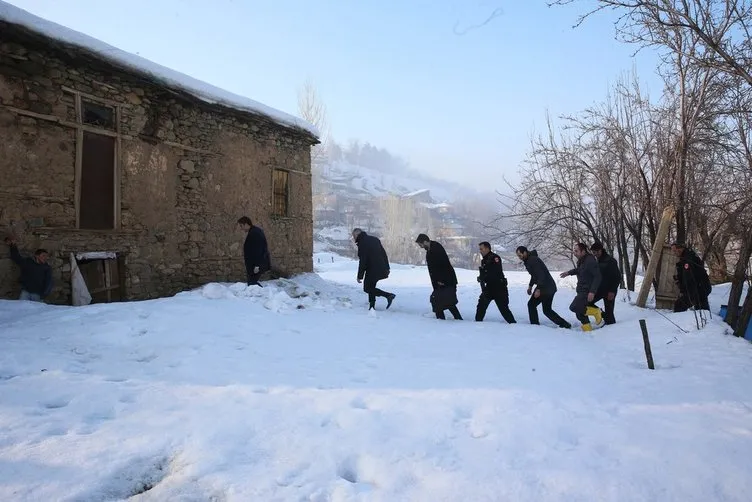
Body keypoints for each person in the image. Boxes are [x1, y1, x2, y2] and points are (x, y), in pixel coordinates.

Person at [515, 246, 571, 329]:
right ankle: (565, 324)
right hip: (548, 286)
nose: (519, 257)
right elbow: (534, 275)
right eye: (518, 256)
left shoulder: (533, 260)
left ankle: (535, 326)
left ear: (525, 252)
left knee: (532, 305)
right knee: (547, 310)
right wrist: (530, 286)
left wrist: (538, 289)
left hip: (546, 287)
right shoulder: (529, 260)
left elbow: (541, 275)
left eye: (520, 255)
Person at [416, 233, 462, 320]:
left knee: (444, 301)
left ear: (425, 242)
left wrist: (441, 280)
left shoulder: (436, 249)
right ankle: (443, 319)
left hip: (446, 281)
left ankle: (443, 320)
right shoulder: (430, 249)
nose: (420, 246)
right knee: (442, 301)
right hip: (439, 282)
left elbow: (443, 265)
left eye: (421, 244)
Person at [560, 243, 602, 331]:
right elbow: (580, 270)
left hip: (587, 290)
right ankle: (588, 329)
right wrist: (569, 273)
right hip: (581, 289)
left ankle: (596, 312)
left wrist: (592, 292)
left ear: (583, 251)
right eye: (574, 250)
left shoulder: (590, 260)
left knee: (574, 307)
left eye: (576, 251)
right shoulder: (583, 260)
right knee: (579, 313)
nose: (574, 253)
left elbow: (598, 276)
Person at [352, 228, 395, 310]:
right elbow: (384, 254)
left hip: (372, 269)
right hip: (381, 267)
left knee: (367, 288)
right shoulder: (375, 239)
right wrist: (387, 267)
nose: (353, 238)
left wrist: (360, 276)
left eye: (354, 236)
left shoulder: (362, 243)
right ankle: (372, 306)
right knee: (371, 287)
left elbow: (363, 261)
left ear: (357, 234)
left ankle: (388, 295)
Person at [475, 241, 516, 323]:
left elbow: (495, 272)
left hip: (499, 287)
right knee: (481, 305)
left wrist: (485, 277)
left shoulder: (495, 258)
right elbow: (484, 273)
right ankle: (478, 323)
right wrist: (481, 278)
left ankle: (513, 324)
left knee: (503, 309)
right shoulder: (484, 261)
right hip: (489, 287)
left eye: (481, 249)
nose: (480, 251)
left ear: (487, 248)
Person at [5, 237, 53, 302]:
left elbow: (49, 282)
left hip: (38, 294)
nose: (45, 258)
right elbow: (16, 258)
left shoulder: (47, 268)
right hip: (26, 292)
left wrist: (44, 294)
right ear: (36, 256)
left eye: (46, 256)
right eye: (43, 255)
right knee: (21, 309)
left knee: (37, 311)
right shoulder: (28, 262)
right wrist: (13, 245)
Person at [671, 242, 711, 312]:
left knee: (680, 304)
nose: (674, 253)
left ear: (680, 249)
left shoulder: (688, 258)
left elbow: (688, 276)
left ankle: (678, 320)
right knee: (701, 308)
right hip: (702, 286)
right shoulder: (686, 256)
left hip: (699, 287)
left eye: (674, 251)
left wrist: (684, 289)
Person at [589, 242, 621, 325]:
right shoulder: (597, 260)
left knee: (609, 313)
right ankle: (600, 313)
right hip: (600, 289)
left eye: (595, 252)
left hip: (609, 291)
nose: (594, 254)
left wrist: (612, 291)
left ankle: (611, 328)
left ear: (600, 251)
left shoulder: (611, 261)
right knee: (588, 302)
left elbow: (617, 277)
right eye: (593, 252)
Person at [238, 216, 270, 286]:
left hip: (256, 265)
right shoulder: (254, 231)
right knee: (252, 283)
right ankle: (263, 294)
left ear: (246, 224)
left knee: (252, 283)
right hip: (254, 265)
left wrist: (257, 265)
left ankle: (265, 295)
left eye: (241, 226)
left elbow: (259, 249)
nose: (241, 228)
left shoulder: (255, 233)